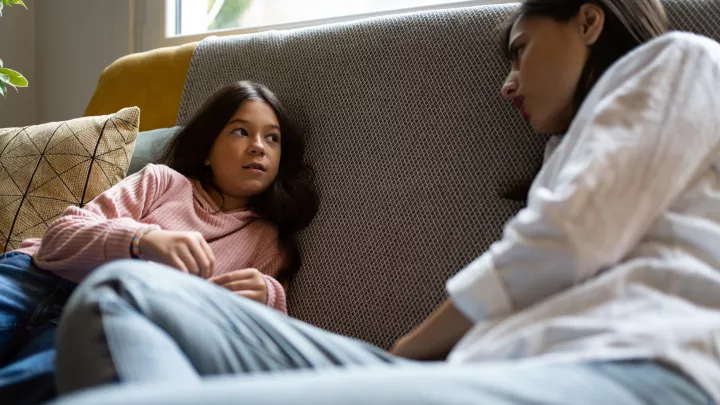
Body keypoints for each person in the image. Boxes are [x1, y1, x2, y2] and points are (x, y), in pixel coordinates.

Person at [47, 0, 720, 404]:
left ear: (589, 19)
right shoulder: (563, 152)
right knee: (119, 298)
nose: (509, 84)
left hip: (626, 367)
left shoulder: (682, 62)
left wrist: (408, 350)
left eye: (520, 51)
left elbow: (569, 239)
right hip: (486, 370)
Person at [0, 80, 318, 405]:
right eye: (240, 131)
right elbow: (57, 241)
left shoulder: (267, 243)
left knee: (51, 377)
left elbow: (261, 348)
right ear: (207, 150)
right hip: (38, 280)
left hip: (110, 320)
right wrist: (143, 239)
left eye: (272, 138)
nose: (258, 146)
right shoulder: (161, 181)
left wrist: (269, 297)